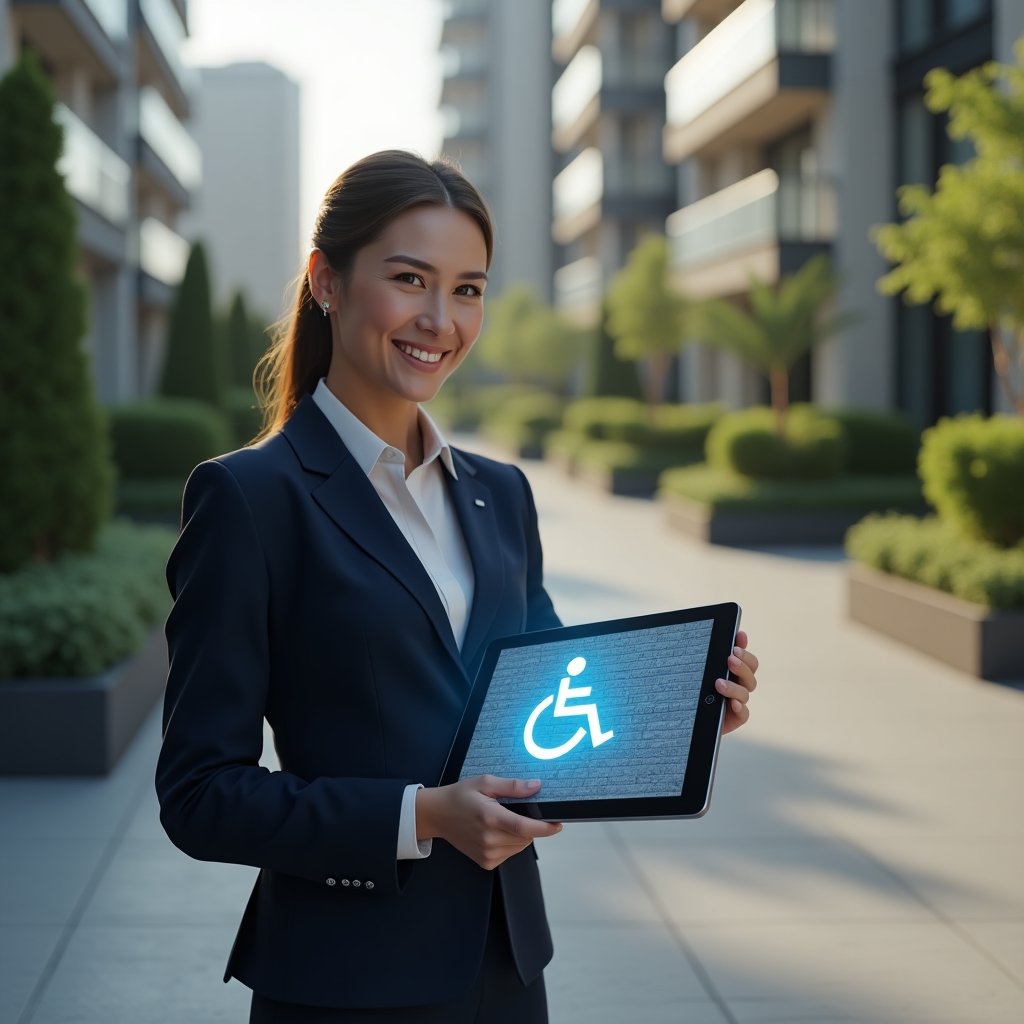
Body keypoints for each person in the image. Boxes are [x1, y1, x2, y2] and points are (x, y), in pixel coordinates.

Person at [155, 150, 760, 1023]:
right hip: (344, 985)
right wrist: (422, 816)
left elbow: (547, 703)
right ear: (327, 281)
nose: (440, 321)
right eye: (410, 279)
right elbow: (201, 795)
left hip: (506, 967)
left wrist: (683, 710)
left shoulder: (500, 494)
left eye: (468, 289)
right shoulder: (250, 500)